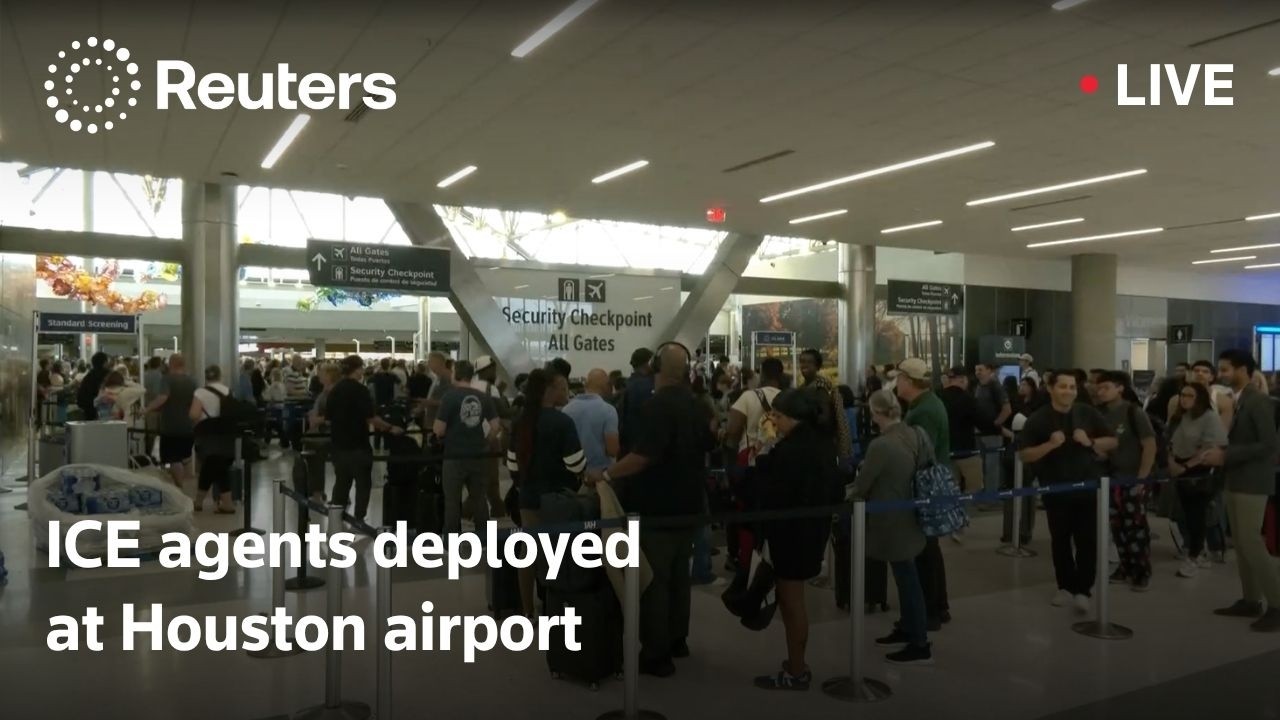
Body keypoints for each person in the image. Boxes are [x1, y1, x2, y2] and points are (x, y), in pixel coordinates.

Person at [588, 343, 711, 678]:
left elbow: (642, 457)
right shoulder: (697, 404)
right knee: (680, 577)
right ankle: (677, 640)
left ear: (656, 368)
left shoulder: (656, 407)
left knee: (654, 580)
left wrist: (607, 474)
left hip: (657, 505)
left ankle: (656, 654)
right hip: (690, 503)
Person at [752, 388, 838, 689]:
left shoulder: (790, 452)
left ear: (795, 418)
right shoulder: (821, 443)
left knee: (792, 602)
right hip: (812, 530)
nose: (774, 421)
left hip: (790, 534)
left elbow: (772, 491)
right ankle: (796, 663)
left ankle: (797, 670)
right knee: (794, 599)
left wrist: (763, 455)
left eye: (778, 416)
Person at [1019, 371, 1116, 613]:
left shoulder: (1087, 412)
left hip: (1087, 488)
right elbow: (1024, 454)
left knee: (1087, 540)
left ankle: (1083, 589)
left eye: (1072, 387)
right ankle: (1065, 586)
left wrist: (1090, 442)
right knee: (1060, 540)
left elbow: (1112, 441)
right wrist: (1049, 445)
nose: (1068, 391)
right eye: (1063, 386)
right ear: (1051, 389)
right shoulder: (1039, 418)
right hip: (1055, 489)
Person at [849, 388, 931, 666]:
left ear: (875, 414)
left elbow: (862, 485)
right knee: (906, 575)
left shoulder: (881, 445)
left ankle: (919, 641)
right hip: (913, 514)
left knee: (907, 579)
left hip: (892, 520)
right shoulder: (915, 433)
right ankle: (908, 627)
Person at [1200, 350, 1280, 631]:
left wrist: (1226, 455)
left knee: (1251, 542)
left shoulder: (1258, 401)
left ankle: (1276, 604)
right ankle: (1250, 599)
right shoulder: (1239, 399)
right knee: (1243, 544)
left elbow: (1269, 445)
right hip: (1236, 478)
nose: (1220, 374)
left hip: (1253, 481)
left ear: (1243, 369)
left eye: (1225, 369)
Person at [506, 369, 584, 616]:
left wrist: (522, 485)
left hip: (529, 496)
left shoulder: (521, 421)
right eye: (562, 387)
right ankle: (555, 607)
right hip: (561, 498)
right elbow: (576, 463)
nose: (566, 392)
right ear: (549, 390)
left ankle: (527, 610)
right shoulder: (562, 422)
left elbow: (512, 463)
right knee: (558, 552)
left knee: (528, 551)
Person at [895, 358, 951, 628]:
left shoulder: (924, 411)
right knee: (929, 549)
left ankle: (930, 611)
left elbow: (920, 453)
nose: (896, 383)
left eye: (899, 378)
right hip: (928, 486)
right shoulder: (925, 404)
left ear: (909, 381)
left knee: (924, 551)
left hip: (925, 488)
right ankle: (937, 606)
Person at [1094, 370, 1157, 592]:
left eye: (1106, 387)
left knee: (1136, 527)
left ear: (1120, 388)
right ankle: (1125, 565)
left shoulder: (1133, 412)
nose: (1101, 392)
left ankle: (1141, 570)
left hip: (1133, 477)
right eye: (1099, 388)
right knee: (1117, 527)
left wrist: (1142, 478)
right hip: (1111, 479)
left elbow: (1149, 445)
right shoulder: (1100, 414)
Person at [325, 356, 404, 521]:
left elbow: (328, 418)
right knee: (363, 484)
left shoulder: (335, 390)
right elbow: (371, 418)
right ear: (357, 369)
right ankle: (359, 519)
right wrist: (390, 428)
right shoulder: (360, 390)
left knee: (341, 484)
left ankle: (336, 519)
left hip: (339, 445)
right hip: (358, 445)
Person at [1167, 381, 1228, 578]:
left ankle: (1195, 555)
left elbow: (1210, 447)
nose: (1184, 399)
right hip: (1179, 468)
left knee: (1197, 515)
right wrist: (1172, 463)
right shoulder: (1179, 417)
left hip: (1200, 470)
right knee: (1186, 513)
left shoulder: (1209, 417)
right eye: (1182, 395)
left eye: (1189, 396)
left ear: (1199, 398)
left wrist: (1186, 466)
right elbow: (1169, 440)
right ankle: (1197, 551)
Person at [433, 360, 498, 533]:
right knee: (479, 499)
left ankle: (452, 539)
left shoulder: (449, 397)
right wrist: (486, 442)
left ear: (456, 374)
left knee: (452, 501)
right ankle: (484, 538)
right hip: (478, 454)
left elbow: (439, 429)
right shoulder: (483, 397)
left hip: (454, 456)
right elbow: (495, 425)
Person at [189, 365, 237, 514]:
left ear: (206, 377)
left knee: (212, 465)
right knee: (216, 466)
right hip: (226, 433)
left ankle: (210, 502)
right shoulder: (228, 391)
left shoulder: (200, 392)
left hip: (208, 434)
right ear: (220, 376)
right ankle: (218, 502)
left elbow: (194, 414)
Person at [146, 353, 198, 485]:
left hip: (171, 425)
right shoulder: (193, 381)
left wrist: (147, 409)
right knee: (184, 456)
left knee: (173, 458)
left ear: (171, 364)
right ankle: (185, 483)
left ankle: (179, 486)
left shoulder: (167, 379)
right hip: (188, 425)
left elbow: (162, 398)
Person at [797, 349, 852, 465]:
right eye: (802, 361)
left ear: (817, 366)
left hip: (820, 442)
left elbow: (825, 418)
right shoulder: (804, 387)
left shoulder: (821, 386)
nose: (804, 365)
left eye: (809, 362)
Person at [474, 355, 512, 519]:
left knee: (478, 478)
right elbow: (502, 412)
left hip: (473, 438)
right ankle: (496, 509)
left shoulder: (472, 385)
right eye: (492, 369)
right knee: (491, 479)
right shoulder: (491, 389)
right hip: (489, 437)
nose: (495, 372)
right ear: (486, 370)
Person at [562, 368, 620, 474]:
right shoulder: (608, 410)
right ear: (605, 386)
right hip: (600, 473)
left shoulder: (566, 409)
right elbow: (612, 450)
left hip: (572, 473)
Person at [941, 366, 982, 495]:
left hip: (946, 451)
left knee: (950, 490)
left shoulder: (938, 396)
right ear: (963, 379)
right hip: (967, 451)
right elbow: (981, 421)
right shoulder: (968, 399)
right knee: (973, 488)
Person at [973, 363, 1012, 494]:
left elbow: (1007, 409)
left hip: (992, 433)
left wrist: (995, 424)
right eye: (976, 370)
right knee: (982, 466)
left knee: (992, 466)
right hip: (980, 432)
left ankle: (991, 496)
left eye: (981, 370)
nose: (978, 372)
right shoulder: (978, 386)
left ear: (989, 370)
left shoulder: (996, 387)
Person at [618, 347, 655, 455]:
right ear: (649, 363)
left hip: (628, 445)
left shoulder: (628, 384)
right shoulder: (648, 386)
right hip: (644, 448)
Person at [423, 351, 453, 435]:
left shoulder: (446, 377)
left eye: (430, 361)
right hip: (434, 420)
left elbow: (448, 401)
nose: (428, 364)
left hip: (440, 423)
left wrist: (428, 402)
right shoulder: (437, 377)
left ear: (437, 362)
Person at [76, 351, 111, 421]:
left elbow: (80, 397)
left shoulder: (88, 377)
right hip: (108, 412)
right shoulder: (110, 376)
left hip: (89, 412)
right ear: (104, 363)